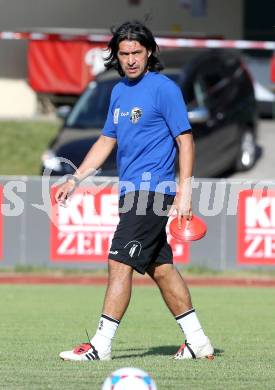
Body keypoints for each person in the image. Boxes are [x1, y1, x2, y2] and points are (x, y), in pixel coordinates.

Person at [55, 21, 214, 361]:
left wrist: (184, 193)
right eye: (124, 53)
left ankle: (100, 345)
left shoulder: (164, 88)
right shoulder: (118, 91)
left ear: (150, 52)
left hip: (153, 192)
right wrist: (76, 178)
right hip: (130, 194)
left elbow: (185, 141)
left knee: (119, 262)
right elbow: (106, 140)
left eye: (136, 53)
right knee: (161, 268)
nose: (130, 60)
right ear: (116, 55)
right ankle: (199, 342)